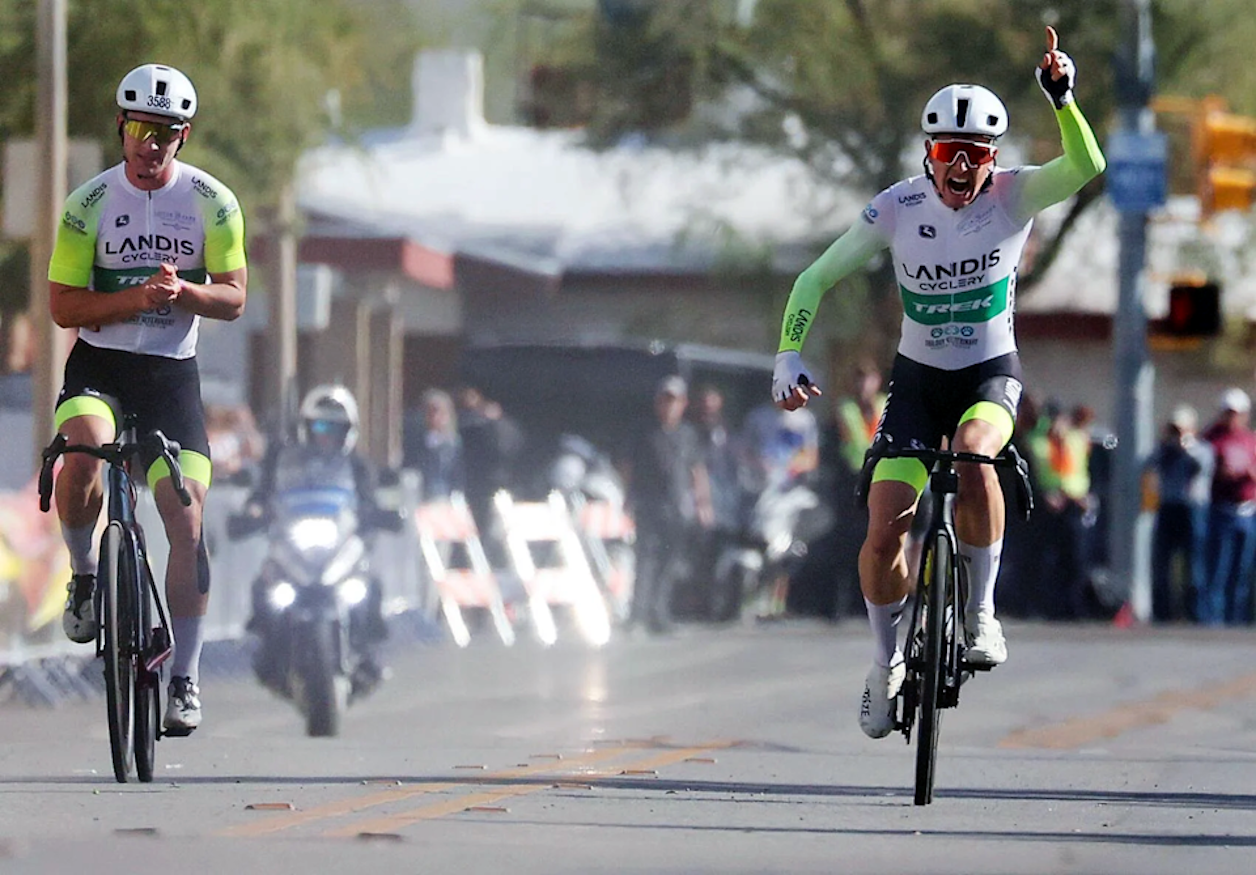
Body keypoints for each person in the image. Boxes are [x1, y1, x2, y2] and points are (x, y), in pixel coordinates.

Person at [770, 28, 1105, 738]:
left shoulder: (1016, 198)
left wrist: (1062, 98)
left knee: (980, 454)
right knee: (884, 527)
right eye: (948, 153)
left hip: (989, 372)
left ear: (994, 159)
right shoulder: (897, 207)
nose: (960, 168)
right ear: (928, 154)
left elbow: (1087, 163)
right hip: (919, 382)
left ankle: (982, 613)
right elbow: (814, 277)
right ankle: (885, 663)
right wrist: (787, 354)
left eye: (976, 154)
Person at [47, 64, 247, 734]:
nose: (149, 144)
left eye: (163, 132)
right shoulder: (88, 203)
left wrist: (183, 294)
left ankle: (184, 678)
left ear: (182, 136)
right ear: (121, 127)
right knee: (78, 455)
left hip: (169, 378)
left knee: (185, 522)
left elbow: (235, 295)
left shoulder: (213, 203)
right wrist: (134, 297)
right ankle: (83, 575)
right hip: (101, 366)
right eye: (138, 127)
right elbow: (60, 306)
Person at [241, 386, 390, 693]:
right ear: (306, 427)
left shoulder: (357, 466)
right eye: (320, 426)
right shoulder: (282, 460)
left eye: (335, 428)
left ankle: (365, 652)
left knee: (369, 586)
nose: (327, 434)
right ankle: (269, 651)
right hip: (293, 544)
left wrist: (378, 516)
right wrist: (255, 510)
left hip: (341, 547)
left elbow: (370, 503)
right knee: (265, 586)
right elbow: (262, 494)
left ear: (348, 431)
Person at [622, 376, 713, 634]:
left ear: (683, 404)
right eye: (665, 400)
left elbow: (697, 469)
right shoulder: (643, 431)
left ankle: (659, 614)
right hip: (649, 503)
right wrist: (628, 497)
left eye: (674, 401)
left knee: (670, 561)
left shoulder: (688, 434)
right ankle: (637, 614)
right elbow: (627, 466)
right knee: (646, 558)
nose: (669, 406)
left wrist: (703, 503)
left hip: (677, 506)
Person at [1144, 405, 1213, 622]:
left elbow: (1201, 468)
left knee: (1194, 566)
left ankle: (1196, 614)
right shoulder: (1163, 450)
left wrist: (1186, 447)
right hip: (1168, 507)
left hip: (1193, 508)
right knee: (1162, 562)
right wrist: (1166, 446)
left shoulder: (1202, 450)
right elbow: (1147, 465)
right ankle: (1162, 613)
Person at [1199, 388, 1256, 626]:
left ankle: (1238, 620)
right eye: (1228, 413)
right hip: (1221, 510)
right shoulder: (1212, 439)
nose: (1233, 418)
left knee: (1241, 572)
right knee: (1218, 569)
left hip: (1247, 511)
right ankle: (1215, 620)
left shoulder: (1250, 440)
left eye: (1237, 413)